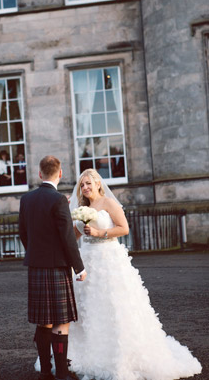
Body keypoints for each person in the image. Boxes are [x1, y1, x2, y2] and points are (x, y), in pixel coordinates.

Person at [66, 169, 202, 380]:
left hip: (108, 260)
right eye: (82, 185)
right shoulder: (81, 208)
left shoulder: (108, 203)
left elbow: (124, 229)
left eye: (88, 184)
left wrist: (99, 233)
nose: (85, 188)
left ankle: (120, 355)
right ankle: (89, 351)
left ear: (98, 185)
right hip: (87, 261)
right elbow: (72, 236)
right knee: (87, 308)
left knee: (113, 306)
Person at [19, 156, 86, 380]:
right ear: (60, 174)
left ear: (40, 174)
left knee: (43, 320)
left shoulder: (26, 199)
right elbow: (68, 238)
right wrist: (79, 268)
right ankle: (63, 373)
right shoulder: (58, 200)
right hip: (57, 268)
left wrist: (35, 253)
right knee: (60, 320)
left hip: (36, 266)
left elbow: (23, 233)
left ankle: (46, 373)